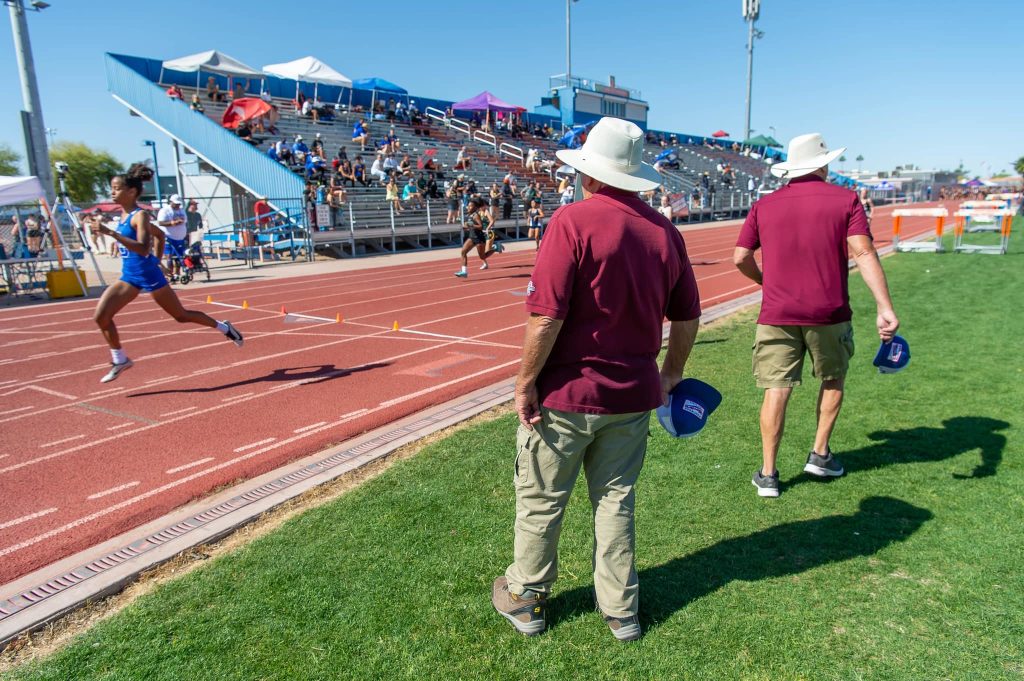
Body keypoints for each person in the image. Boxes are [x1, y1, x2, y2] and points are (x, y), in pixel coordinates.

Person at [492, 117, 701, 642]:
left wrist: (524, 383)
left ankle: (527, 597)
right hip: (631, 395)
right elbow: (689, 315)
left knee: (542, 499)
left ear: (591, 173)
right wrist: (671, 373)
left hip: (565, 396)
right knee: (615, 501)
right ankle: (621, 610)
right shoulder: (665, 233)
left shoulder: (572, 222)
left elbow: (546, 317)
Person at [732, 133, 899, 499]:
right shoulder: (846, 200)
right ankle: (820, 454)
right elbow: (864, 252)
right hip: (830, 311)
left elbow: (740, 257)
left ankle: (769, 473)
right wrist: (885, 307)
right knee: (833, 378)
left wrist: (766, 282)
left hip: (777, 312)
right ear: (822, 165)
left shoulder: (765, 205)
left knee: (777, 389)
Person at [89, 164, 242, 383]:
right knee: (101, 316)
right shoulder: (123, 216)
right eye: (111, 188)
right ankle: (120, 359)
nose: (112, 193)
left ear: (131, 191)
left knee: (181, 316)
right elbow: (160, 235)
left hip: (150, 276)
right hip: (129, 277)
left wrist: (112, 234)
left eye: (116, 188)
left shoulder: (138, 216)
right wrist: (158, 259)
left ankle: (224, 327)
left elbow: (143, 246)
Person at [454, 197, 501, 277]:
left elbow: (480, 226)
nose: (468, 207)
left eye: (470, 206)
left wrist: (471, 225)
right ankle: (464, 272)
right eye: (468, 206)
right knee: (463, 252)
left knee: (483, 256)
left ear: (475, 207)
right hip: (472, 237)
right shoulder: (469, 215)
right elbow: (471, 226)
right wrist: (466, 227)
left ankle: (495, 248)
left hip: (479, 238)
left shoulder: (476, 215)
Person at [157, 194, 188, 281]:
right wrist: (172, 223)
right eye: (176, 204)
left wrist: (180, 222)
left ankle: (177, 273)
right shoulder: (165, 210)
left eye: (179, 204)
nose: (178, 205)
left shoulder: (181, 210)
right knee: (169, 256)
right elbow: (160, 223)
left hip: (180, 238)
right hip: (169, 237)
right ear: (171, 202)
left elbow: (185, 220)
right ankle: (170, 274)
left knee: (179, 257)